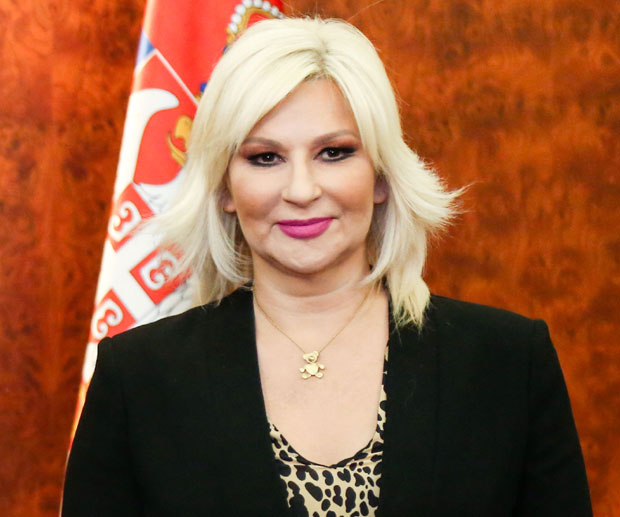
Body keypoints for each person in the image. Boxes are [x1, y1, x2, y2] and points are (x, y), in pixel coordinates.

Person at [62, 17, 592, 517]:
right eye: (265, 157)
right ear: (224, 188)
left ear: (381, 176)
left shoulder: (509, 362)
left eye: (334, 152)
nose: (301, 190)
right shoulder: (136, 377)